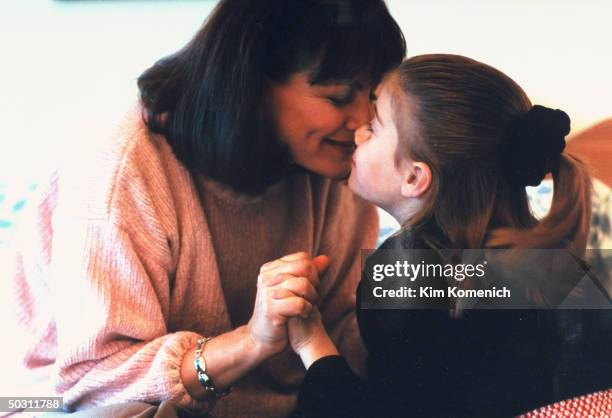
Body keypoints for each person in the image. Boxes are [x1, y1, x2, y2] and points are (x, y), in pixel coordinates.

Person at [6, 1, 405, 417]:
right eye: (339, 97)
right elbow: (92, 381)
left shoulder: (336, 162)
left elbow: (351, 335)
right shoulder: (122, 169)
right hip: (57, 398)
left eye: (373, 96)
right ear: (253, 85)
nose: (362, 122)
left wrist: (456, 275)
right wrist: (251, 342)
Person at [286, 54, 612, 417]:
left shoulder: (406, 267)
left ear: (414, 178)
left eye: (375, 126)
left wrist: (311, 342)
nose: (358, 132)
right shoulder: (561, 266)